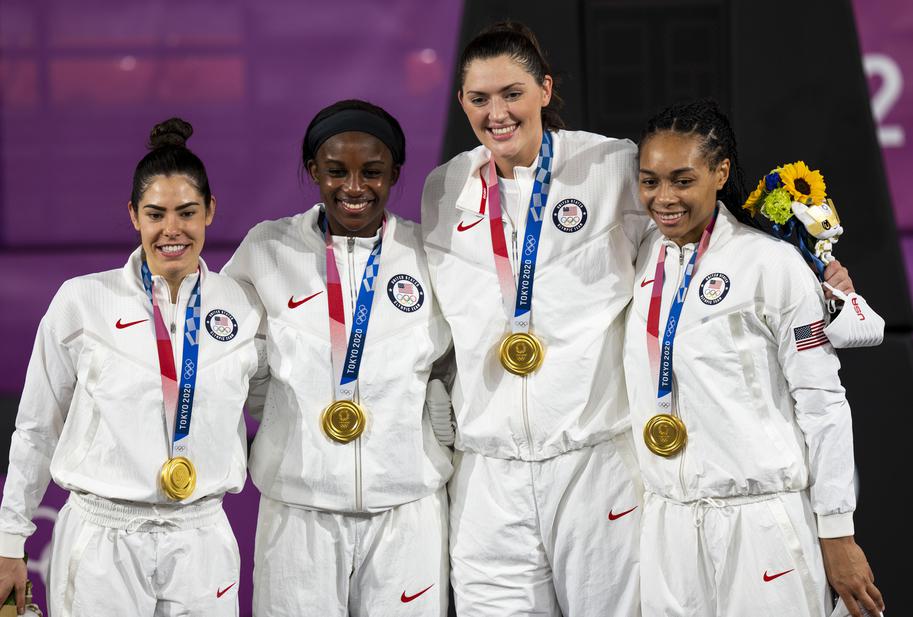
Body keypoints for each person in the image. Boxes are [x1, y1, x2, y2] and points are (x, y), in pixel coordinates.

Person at [421, 21, 854, 617]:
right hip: (488, 473)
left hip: (595, 464)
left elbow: (697, 232)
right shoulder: (443, 191)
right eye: (479, 98)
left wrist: (811, 268)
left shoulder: (610, 166)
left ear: (545, 89)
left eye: (512, 93)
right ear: (462, 102)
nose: (497, 112)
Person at [625, 98, 884, 617]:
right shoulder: (641, 254)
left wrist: (837, 532)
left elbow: (824, 404)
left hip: (760, 525)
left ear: (721, 173)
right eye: (650, 181)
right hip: (667, 527)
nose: (664, 197)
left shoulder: (771, 263)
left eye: (682, 179)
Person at [0, 118, 265, 616]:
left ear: (210, 211)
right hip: (105, 539)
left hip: (202, 537)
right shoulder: (83, 301)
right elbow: (36, 429)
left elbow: (276, 408)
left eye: (187, 212)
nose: (172, 230)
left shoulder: (244, 306)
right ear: (133, 216)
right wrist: (10, 539)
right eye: (155, 214)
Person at [222, 99, 454, 617]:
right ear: (313, 172)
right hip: (298, 510)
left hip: (407, 508)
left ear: (395, 173)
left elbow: (454, 361)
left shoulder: (428, 254)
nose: (354, 187)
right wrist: (285, 422)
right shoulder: (268, 250)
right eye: (335, 172)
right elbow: (235, 359)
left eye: (372, 172)